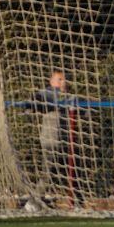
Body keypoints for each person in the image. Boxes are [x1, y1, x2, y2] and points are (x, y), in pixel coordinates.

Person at [29, 70, 80, 204]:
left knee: (74, 170)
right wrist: (33, 104)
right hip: (50, 140)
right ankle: (34, 202)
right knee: (48, 172)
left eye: (64, 80)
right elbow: (36, 97)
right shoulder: (49, 93)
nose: (63, 82)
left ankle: (77, 200)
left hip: (65, 141)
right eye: (59, 79)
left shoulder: (70, 96)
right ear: (51, 82)